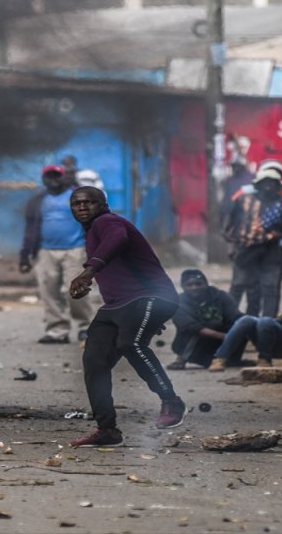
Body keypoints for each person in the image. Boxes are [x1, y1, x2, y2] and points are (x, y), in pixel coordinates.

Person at [66, 187, 186, 448]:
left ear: (104, 205)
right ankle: (106, 429)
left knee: (130, 343)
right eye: (77, 204)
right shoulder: (91, 231)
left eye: (89, 202)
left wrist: (88, 272)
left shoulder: (108, 222)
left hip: (151, 296)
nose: (83, 207)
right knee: (94, 361)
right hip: (118, 305)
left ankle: (171, 401)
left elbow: (117, 239)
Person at [20, 165, 95, 344]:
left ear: (64, 178)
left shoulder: (79, 196)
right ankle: (57, 330)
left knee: (76, 290)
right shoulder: (37, 200)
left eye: (57, 176)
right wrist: (25, 254)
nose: (53, 180)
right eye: (49, 177)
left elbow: (94, 223)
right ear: (43, 179)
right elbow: (30, 228)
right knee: (49, 291)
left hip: (75, 249)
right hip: (45, 251)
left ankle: (86, 327)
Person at [224, 169, 282, 317]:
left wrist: (281, 235)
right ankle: (229, 321)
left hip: (272, 249)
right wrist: (230, 239)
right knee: (239, 285)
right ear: (258, 185)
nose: (268, 186)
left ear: (278, 186)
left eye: (272, 183)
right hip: (247, 248)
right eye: (264, 183)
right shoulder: (244, 200)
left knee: (270, 287)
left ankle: (267, 322)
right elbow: (231, 219)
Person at [168, 269, 242, 370]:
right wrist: (228, 337)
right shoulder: (177, 304)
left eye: (198, 284)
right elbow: (193, 327)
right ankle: (182, 359)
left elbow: (236, 317)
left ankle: (233, 359)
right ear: (183, 287)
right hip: (195, 345)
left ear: (206, 284)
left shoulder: (220, 296)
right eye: (189, 285)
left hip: (222, 343)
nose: (194, 288)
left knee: (244, 323)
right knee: (198, 329)